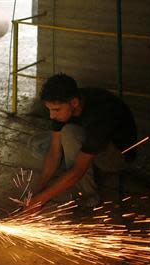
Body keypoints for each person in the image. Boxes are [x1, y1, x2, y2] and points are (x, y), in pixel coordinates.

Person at [26, 73, 137, 211]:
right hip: (90, 141)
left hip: (117, 156)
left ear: (74, 103)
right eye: (49, 110)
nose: (52, 115)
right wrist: (36, 192)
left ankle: (90, 197)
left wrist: (42, 199)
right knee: (38, 144)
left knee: (69, 134)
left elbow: (78, 170)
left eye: (56, 110)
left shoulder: (101, 113)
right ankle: (80, 167)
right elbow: (54, 153)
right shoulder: (64, 105)